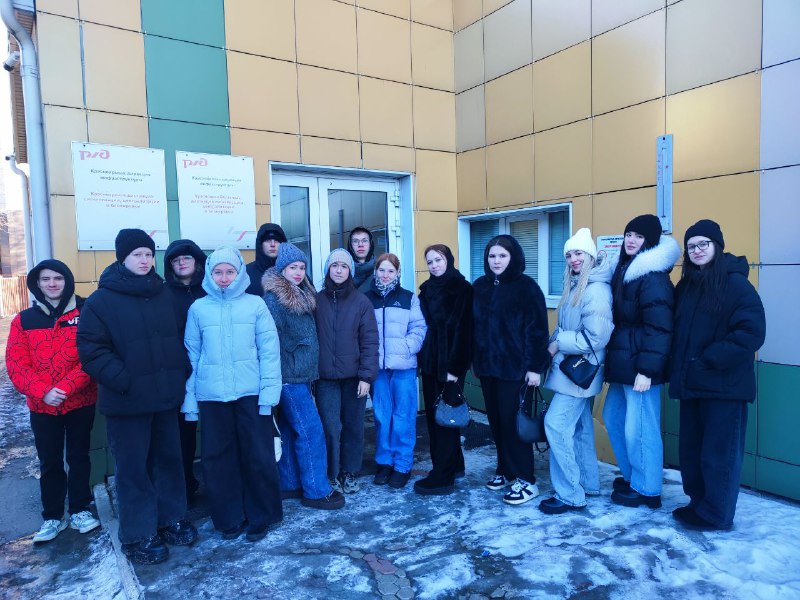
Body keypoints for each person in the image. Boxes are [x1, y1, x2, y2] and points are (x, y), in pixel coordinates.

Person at [77, 229, 197, 565]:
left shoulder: (163, 294)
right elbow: (91, 349)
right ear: (122, 258)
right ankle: (138, 534)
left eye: (148, 254)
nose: (144, 261)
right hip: (127, 402)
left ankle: (171, 518)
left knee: (168, 462)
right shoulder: (101, 301)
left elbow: (180, 337)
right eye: (136, 255)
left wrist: (180, 371)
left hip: (164, 397)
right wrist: (123, 379)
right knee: (133, 470)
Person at [669, 219, 765, 531]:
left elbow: (751, 332)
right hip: (693, 383)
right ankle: (699, 503)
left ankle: (717, 514)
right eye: (691, 246)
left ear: (717, 246)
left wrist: (709, 358)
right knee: (693, 451)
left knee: (719, 454)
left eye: (703, 244)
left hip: (724, 386)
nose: (697, 250)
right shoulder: (687, 286)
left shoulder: (735, 284)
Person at [182, 246, 283, 542]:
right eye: (218, 272)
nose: (224, 278)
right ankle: (229, 518)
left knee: (258, 456)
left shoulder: (255, 305)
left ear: (239, 274)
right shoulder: (198, 309)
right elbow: (192, 356)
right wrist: (190, 401)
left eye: (230, 272)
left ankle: (261, 515)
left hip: (251, 394)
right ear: (209, 275)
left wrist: (269, 395)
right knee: (218, 459)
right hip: (212, 396)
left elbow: (269, 352)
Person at [6, 260, 100, 543]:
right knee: (49, 461)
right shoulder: (24, 320)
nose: (52, 284)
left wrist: (67, 387)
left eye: (58, 278)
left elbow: (93, 355)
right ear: (37, 283)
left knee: (79, 456)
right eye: (46, 279)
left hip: (80, 400)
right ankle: (53, 516)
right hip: (42, 405)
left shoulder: (85, 312)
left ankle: (80, 509)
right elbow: (16, 364)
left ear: (67, 281)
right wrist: (43, 391)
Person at [602, 214, 680, 509]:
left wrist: (647, 371)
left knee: (642, 428)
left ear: (650, 241)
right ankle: (634, 476)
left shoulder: (652, 277)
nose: (631, 240)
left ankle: (648, 488)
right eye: (628, 234)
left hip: (641, 368)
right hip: (624, 364)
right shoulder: (626, 269)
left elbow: (660, 328)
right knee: (614, 417)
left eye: (639, 236)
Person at [262, 243, 345, 510]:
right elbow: (270, 341)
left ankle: (289, 483)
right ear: (281, 270)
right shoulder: (275, 299)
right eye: (292, 268)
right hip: (289, 377)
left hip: (301, 374)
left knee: (290, 429)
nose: (298, 272)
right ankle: (316, 490)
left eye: (301, 267)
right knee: (311, 431)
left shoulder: (301, 292)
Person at [540, 229, 613, 514]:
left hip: (579, 373)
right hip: (573, 372)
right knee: (581, 429)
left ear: (590, 255)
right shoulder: (577, 285)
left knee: (556, 425)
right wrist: (552, 345)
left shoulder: (595, 290)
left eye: (578, 253)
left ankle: (570, 493)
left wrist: (559, 343)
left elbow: (596, 337)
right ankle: (588, 483)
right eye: (569, 254)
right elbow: (565, 326)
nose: (573, 259)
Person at [472, 235, 550, 506]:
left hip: (515, 370)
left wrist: (535, 368)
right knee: (495, 422)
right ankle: (505, 470)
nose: (496, 261)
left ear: (513, 257)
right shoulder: (480, 287)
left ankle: (526, 480)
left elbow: (537, 331)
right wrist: (476, 360)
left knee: (513, 424)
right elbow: (475, 328)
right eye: (492, 256)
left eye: (502, 256)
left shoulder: (526, 288)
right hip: (488, 369)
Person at [315, 248, 379, 494]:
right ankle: (332, 473)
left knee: (353, 426)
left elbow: (370, 341)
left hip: (354, 379)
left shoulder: (361, 302)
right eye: (334, 266)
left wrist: (366, 376)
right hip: (325, 379)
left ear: (350, 271)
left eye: (344, 266)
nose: (339, 270)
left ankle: (350, 472)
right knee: (331, 427)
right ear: (328, 270)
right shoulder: (317, 301)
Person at [363, 253, 427, 489]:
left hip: (404, 368)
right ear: (375, 272)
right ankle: (384, 462)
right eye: (382, 270)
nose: (386, 275)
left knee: (403, 416)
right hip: (378, 369)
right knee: (382, 416)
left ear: (398, 273)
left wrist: (407, 348)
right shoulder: (366, 299)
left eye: (391, 271)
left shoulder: (408, 298)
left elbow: (419, 328)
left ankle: (402, 464)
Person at [413, 244, 473, 496]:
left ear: (448, 259)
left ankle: (443, 475)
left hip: (450, 364)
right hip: (430, 362)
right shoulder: (426, 289)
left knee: (446, 419)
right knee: (435, 416)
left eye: (438, 260)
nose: (434, 265)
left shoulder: (461, 288)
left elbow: (464, 331)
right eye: (430, 261)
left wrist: (454, 368)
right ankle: (455, 465)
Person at [163, 239, 207, 505]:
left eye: (186, 258)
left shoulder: (210, 289)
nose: (181, 263)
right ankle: (185, 484)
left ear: (197, 262)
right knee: (184, 433)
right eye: (175, 260)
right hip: (180, 371)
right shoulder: (164, 293)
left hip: (211, 368)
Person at [245, 223, 287, 296]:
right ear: (260, 244)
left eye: (277, 240)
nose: (273, 244)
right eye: (268, 240)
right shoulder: (246, 273)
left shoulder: (294, 271)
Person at [347, 226, 376, 292]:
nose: (360, 245)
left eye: (364, 241)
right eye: (355, 241)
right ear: (350, 245)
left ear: (370, 244)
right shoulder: (342, 271)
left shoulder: (381, 270)